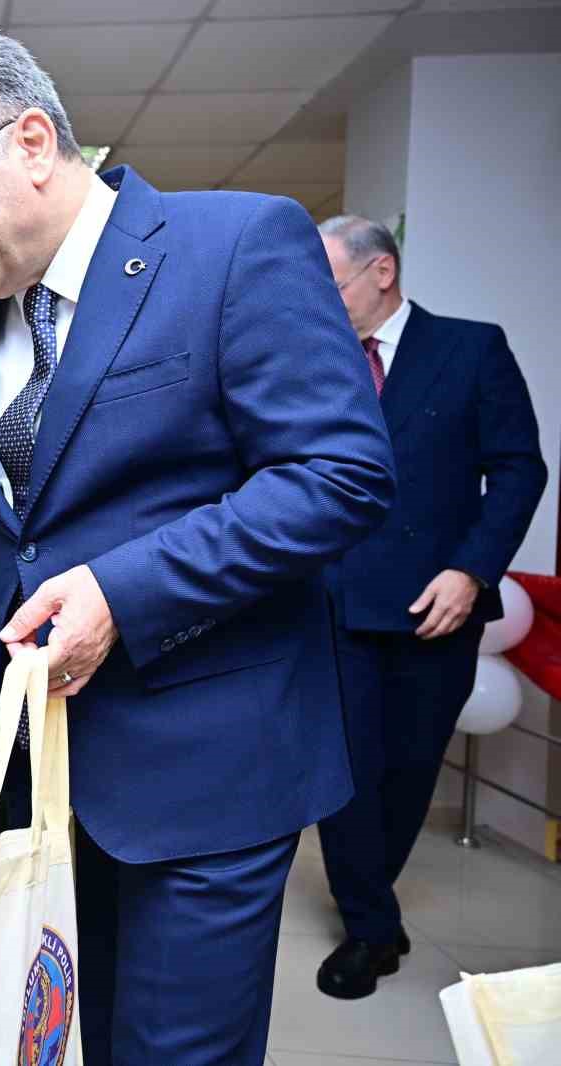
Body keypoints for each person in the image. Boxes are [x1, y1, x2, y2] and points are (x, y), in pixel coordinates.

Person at [0, 30, 395, 1065]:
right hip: (44, 773)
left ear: (30, 140)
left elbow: (340, 477)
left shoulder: (236, 246)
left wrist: (125, 589)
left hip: (207, 768)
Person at [313, 215, 546, 999]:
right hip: (335, 602)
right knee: (343, 773)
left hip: (435, 605)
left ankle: (373, 907)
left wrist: (473, 571)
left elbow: (518, 470)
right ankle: (370, 929)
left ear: (381, 272)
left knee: (408, 771)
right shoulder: (315, 359)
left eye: (333, 279)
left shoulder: (470, 349)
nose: (321, 296)